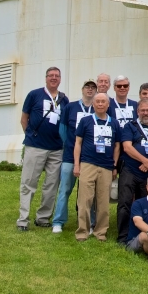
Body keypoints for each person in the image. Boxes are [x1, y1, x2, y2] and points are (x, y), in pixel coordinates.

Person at [17, 66, 69, 231]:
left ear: (60, 79)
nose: (54, 78)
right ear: (46, 78)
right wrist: (31, 137)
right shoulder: (34, 95)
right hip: (36, 147)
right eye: (51, 75)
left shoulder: (64, 99)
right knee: (29, 183)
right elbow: (24, 119)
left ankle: (43, 217)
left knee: (52, 184)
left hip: (56, 148)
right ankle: (23, 220)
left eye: (57, 76)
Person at [117, 97, 148, 243]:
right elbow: (127, 147)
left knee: (145, 206)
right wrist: (145, 161)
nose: (145, 113)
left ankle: (141, 236)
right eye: (142, 110)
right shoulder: (130, 126)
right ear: (137, 111)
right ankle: (122, 237)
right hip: (130, 170)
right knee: (125, 203)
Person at [73, 93, 121, 241]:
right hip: (88, 164)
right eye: (97, 101)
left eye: (103, 102)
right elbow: (78, 143)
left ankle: (100, 232)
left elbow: (117, 146)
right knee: (85, 199)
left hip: (106, 166)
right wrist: (76, 164)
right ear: (93, 104)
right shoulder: (86, 121)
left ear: (108, 105)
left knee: (103, 201)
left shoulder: (114, 123)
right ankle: (82, 231)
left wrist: (114, 166)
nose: (100, 104)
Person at [52, 79, 96, 233]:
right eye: (87, 87)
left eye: (93, 87)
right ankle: (58, 221)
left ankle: (90, 223)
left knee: (89, 192)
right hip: (70, 157)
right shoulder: (71, 107)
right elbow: (62, 131)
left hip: (90, 158)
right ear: (82, 89)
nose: (90, 90)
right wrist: (71, 145)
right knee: (64, 189)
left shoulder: (99, 109)